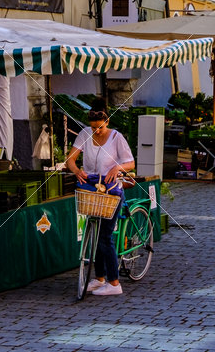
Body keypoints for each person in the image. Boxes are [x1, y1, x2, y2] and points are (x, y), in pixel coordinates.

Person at [65, 110, 136, 296]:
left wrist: (116, 167)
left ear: (107, 122)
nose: (97, 131)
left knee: (105, 236)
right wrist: (77, 171)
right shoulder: (85, 134)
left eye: (100, 127)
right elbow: (70, 159)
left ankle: (114, 284)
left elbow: (130, 163)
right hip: (92, 188)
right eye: (94, 127)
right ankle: (100, 278)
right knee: (95, 234)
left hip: (111, 190)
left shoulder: (116, 137)